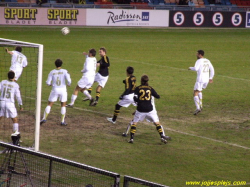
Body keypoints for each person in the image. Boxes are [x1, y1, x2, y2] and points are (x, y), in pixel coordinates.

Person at [128, 75, 171, 144]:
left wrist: (139, 101)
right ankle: (162, 136)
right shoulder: (150, 88)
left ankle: (131, 139)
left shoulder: (138, 88)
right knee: (157, 123)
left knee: (134, 123)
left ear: (141, 81)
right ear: (147, 81)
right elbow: (158, 96)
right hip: (149, 109)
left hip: (140, 109)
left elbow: (135, 98)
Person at [40, 59, 71, 126]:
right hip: (63, 89)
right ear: (61, 64)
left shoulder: (52, 72)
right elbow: (69, 80)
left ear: (55, 64)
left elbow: (48, 82)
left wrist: (51, 84)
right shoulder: (65, 71)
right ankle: (62, 121)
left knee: (49, 104)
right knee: (63, 105)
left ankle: (44, 118)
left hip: (55, 89)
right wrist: (68, 84)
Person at [188, 50, 214, 115]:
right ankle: (201, 105)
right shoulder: (207, 60)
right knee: (200, 91)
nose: (196, 55)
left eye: (197, 54)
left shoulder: (199, 61)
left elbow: (196, 68)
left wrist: (190, 68)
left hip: (200, 79)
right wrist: (210, 78)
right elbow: (212, 69)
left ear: (200, 55)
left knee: (195, 92)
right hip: (206, 79)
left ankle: (198, 108)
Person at [0, 71, 23, 145]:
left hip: (2, 102)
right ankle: (15, 138)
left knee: (0, 117)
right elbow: (18, 96)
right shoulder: (15, 85)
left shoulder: (3, 82)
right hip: (10, 104)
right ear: (14, 77)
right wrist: (20, 105)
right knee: (15, 120)